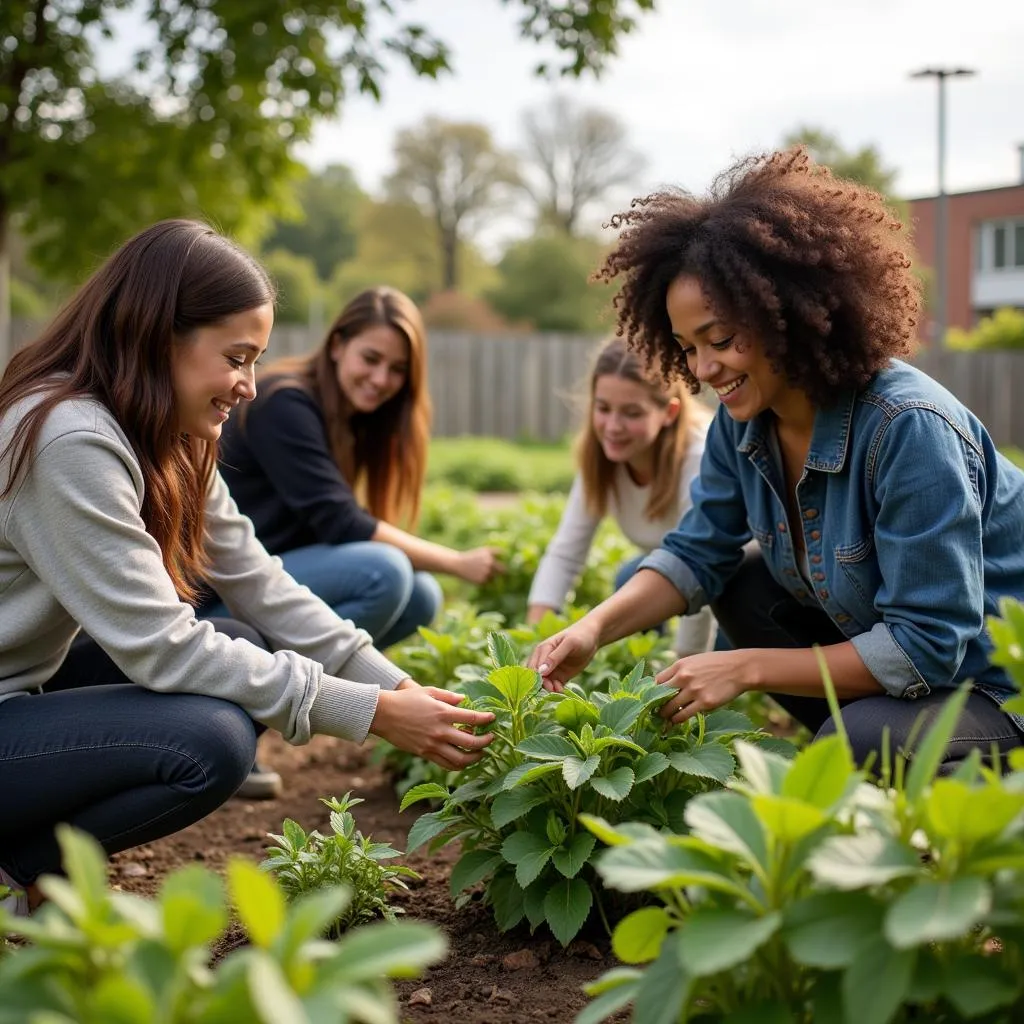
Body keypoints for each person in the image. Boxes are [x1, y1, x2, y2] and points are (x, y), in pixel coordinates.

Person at [0, 220, 494, 917]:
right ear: (159, 333)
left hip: (24, 692)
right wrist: (376, 714)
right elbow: (162, 647)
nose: (250, 386)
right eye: (237, 358)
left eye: (256, 360)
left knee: (249, 641)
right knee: (209, 742)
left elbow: (261, 583)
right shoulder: (69, 438)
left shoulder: (168, 433)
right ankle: (19, 870)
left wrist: (406, 690)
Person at [528, 148, 1024, 771]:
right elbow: (695, 553)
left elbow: (928, 646)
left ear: (785, 314)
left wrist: (745, 667)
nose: (704, 370)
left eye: (723, 339)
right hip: (912, 684)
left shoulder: (909, 428)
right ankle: (869, 749)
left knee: (861, 740)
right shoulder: (743, 427)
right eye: (687, 348)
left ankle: (882, 752)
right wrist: (591, 629)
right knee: (741, 582)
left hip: (996, 687)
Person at [211, 286, 502, 797]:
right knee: (384, 573)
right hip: (223, 590)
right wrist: (458, 561)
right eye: (372, 359)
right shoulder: (284, 401)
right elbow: (342, 523)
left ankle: (261, 712)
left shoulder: (352, 419)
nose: (382, 379)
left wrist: (406, 692)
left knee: (420, 597)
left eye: (396, 370)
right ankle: (240, 720)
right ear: (338, 343)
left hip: (275, 574)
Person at [526, 337, 716, 655]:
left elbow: (702, 569)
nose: (613, 426)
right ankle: (647, 665)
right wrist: (534, 638)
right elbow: (565, 553)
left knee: (716, 643)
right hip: (672, 576)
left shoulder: (699, 457)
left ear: (669, 412)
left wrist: (685, 670)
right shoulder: (600, 458)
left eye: (631, 413)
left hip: (733, 587)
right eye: (603, 408)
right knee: (632, 576)